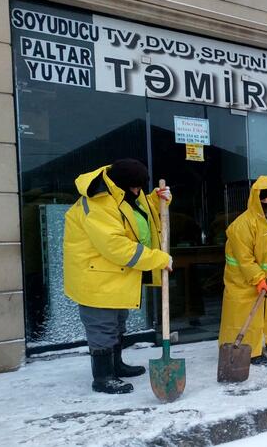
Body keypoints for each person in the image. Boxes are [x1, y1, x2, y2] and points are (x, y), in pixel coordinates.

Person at [63, 159, 173, 394]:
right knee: (102, 328)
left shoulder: (128, 193)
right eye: (134, 187)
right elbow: (116, 246)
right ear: (120, 183)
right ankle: (103, 377)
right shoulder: (98, 203)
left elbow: (137, 217)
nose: (137, 192)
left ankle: (116, 365)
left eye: (140, 187)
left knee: (117, 323)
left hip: (116, 277)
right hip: (96, 277)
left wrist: (156, 199)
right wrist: (159, 259)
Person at [218, 176, 267, 367]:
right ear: (256, 199)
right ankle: (249, 350)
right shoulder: (242, 225)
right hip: (242, 276)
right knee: (244, 311)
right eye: (264, 199)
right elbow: (244, 259)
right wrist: (258, 279)